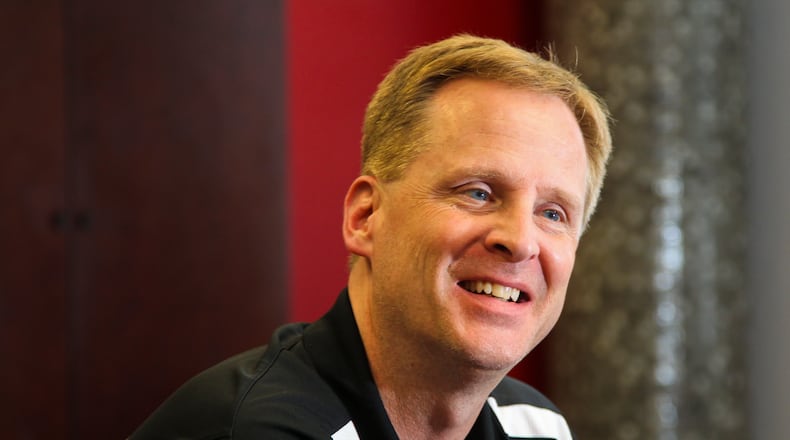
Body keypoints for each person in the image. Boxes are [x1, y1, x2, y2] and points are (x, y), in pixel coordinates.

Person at [131, 34, 612, 440]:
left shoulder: (536, 425)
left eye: (553, 212)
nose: (521, 240)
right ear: (366, 216)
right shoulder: (259, 428)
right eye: (479, 193)